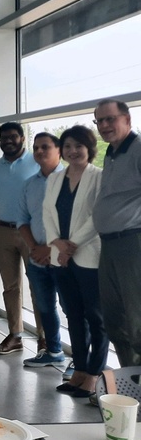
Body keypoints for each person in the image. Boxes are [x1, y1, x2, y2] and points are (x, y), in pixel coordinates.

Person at [43, 125, 106, 396]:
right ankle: (78, 369)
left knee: (96, 316)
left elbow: (98, 216)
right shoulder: (55, 179)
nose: (72, 151)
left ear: (89, 148)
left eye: (78, 146)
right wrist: (57, 242)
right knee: (74, 314)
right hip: (61, 256)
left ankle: (93, 374)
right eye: (67, 146)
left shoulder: (99, 177)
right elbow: (47, 212)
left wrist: (73, 244)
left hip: (88, 254)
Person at [0, 122, 41, 355]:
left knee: (38, 286)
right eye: (3, 137)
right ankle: (15, 335)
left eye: (12, 137)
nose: (7, 141)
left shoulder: (37, 162)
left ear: (22, 138)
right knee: (10, 287)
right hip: (3, 232)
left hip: (33, 233)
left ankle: (45, 339)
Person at [93, 99, 141, 367]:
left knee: (137, 323)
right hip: (110, 245)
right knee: (115, 321)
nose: (104, 125)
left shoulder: (138, 149)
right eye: (99, 121)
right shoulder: (111, 153)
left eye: (110, 119)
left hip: (132, 243)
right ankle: (130, 382)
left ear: (127, 119)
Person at [17, 133, 66, 369]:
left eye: (45, 147)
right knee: (45, 306)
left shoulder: (71, 180)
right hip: (37, 258)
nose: (39, 152)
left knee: (74, 310)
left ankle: (82, 361)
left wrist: (51, 248)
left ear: (59, 150)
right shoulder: (29, 184)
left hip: (66, 259)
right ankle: (54, 350)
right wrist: (35, 248)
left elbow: (76, 222)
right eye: (35, 148)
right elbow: (23, 220)